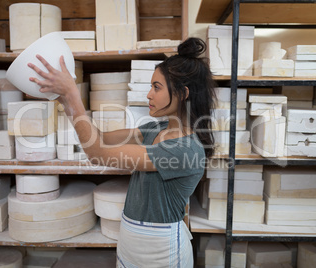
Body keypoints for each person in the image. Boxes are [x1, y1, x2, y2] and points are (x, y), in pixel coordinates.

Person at [28, 37, 215, 267]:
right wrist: (66, 102)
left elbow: (98, 154)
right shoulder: (156, 128)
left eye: (156, 87)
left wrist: (73, 95)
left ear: (183, 93)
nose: (149, 94)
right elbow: (101, 139)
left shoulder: (186, 149)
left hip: (161, 248)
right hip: (129, 237)